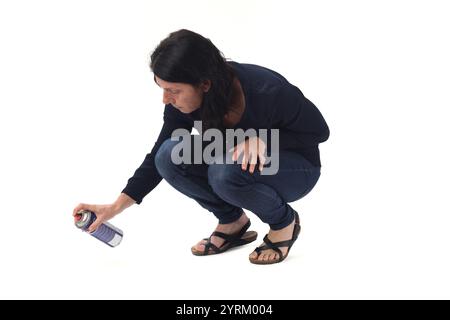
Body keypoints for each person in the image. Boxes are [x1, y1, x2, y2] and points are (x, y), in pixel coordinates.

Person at [73, 29, 329, 265]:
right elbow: (157, 156)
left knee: (224, 170)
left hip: (296, 168)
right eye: (161, 88)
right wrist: (116, 206)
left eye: (173, 90)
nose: (165, 99)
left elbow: (319, 131)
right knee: (169, 155)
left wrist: (262, 138)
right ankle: (232, 222)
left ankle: (284, 222)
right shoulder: (184, 105)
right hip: (237, 163)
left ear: (205, 84)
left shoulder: (265, 89)